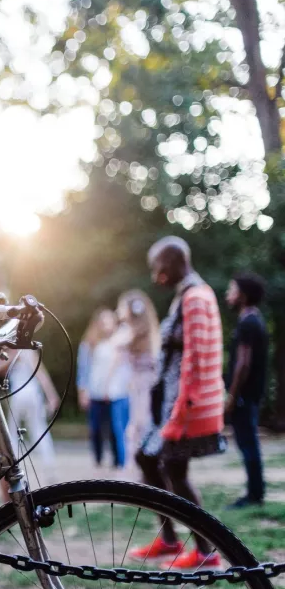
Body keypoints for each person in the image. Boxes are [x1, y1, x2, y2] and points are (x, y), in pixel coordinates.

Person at [130, 236, 226, 569]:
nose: (155, 275)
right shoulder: (188, 295)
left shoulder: (196, 297)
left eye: (157, 266)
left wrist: (182, 409)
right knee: (152, 460)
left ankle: (206, 550)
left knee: (169, 467)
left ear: (171, 262)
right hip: (174, 403)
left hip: (184, 405)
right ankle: (172, 540)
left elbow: (197, 357)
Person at [224, 272, 268, 508]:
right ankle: (255, 491)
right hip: (249, 395)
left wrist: (232, 395)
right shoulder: (253, 320)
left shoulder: (248, 323)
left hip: (244, 396)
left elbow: (244, 363)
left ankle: (254, 495)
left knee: (248, 443)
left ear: (243, 295)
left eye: (231, 290)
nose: (228, 295)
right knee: (248, 442)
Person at [115, 290, 160, 460]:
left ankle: (140, 464)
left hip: (144, 383)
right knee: (138, 424)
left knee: (141, 424)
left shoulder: (134, 335)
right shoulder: (134, 333)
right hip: (138, 382)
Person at [5, 349, 59, 479]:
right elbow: (41, 375)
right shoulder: (29, 352)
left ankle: (12, 466)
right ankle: (49, 465)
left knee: (12, 431)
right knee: (39, 429)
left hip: (18, 394)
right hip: (33, 394)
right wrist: (51, 395)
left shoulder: (12, 353)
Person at [77, 308, 119, 465]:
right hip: (94, 392)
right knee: (95, 429)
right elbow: (83, 369)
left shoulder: (119, 343)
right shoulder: (89, 344)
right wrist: (83, 391)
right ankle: (98, 459)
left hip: (113, 393)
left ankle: (117, 461)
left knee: (115, 429)